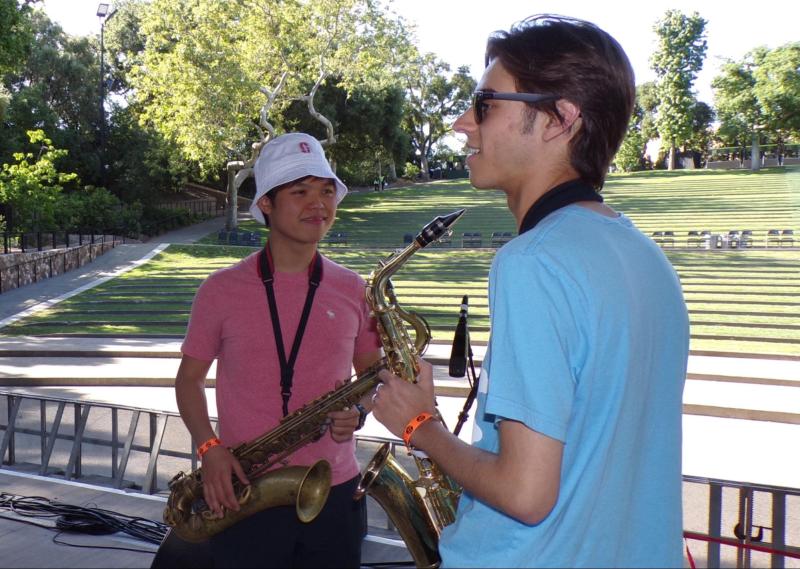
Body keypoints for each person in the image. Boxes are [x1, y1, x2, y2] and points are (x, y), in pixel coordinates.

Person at [371, 15, 690, 568]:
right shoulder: (647, 259)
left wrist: (421, 427)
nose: (462, 123)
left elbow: (526, 493)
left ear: (558, 119)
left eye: (486, 103)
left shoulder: (533, 262)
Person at [167, 132, 382, 568]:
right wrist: (209, 449)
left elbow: (374, 375)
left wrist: (359, 412)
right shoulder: (219, 290)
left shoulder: (353, 289)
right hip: (245, 488)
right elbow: (188, 380)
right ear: (266, 203)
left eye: (326, 190)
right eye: (299, 191)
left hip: (334, 490)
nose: (318, 203)